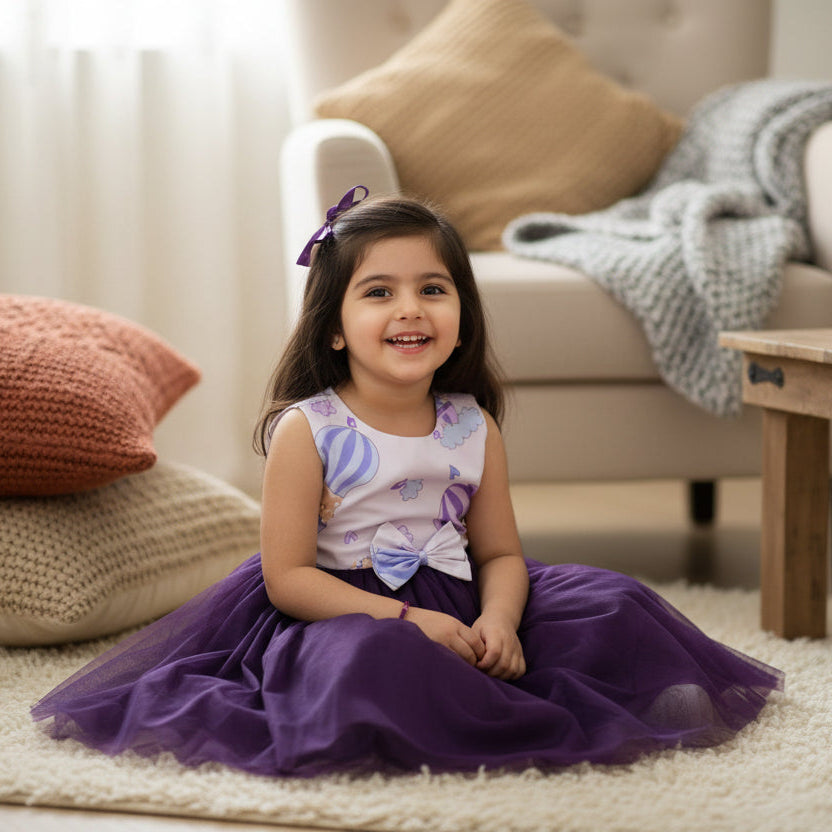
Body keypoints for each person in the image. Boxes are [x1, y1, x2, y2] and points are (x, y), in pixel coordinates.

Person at [31, 187, 784, 777]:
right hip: (346, 609)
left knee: (615, 602)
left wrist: (499, 620)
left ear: (461, 313)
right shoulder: (309, 429)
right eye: (378, 292)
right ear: (334, 327)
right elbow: (288, 578)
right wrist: (409, 622)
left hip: (463, 597)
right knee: (373, 666)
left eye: (432, 288)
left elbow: (500, 554)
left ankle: (489, 678)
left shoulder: (472, 424)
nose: (410, 309)